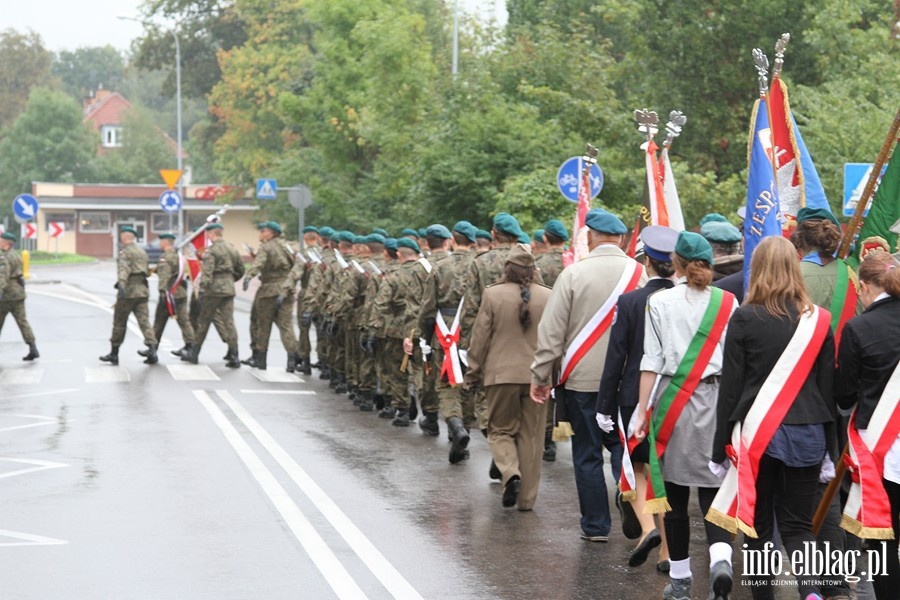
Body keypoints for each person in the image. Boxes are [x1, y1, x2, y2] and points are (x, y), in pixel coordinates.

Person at [707, 236, 836, 600]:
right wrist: (832, 446)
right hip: (810, 432)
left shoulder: (745, 318)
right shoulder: (819, 320)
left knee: (758, 524)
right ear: (795, 269)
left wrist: (720, 449)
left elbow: (730, 390)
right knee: (798, 525)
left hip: (759, 436)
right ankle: (811, 592)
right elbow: (827, 389)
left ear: (757, 269)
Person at [633, 231, 737, 600]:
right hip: (716, 401)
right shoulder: (729, 302)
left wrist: (641, 410)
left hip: (673, 402)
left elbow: (652, 360)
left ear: (674, 263)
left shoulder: (659, 302)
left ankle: (679, 580)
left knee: (674, 496)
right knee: (714, 491)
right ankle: (720, 560)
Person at [531, 209, 646, 542]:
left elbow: (551, 333)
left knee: (587, 454)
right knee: (624, 448)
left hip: (582, 380)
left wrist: (540, 375)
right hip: (629, 381)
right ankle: (626, 497)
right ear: (622, 239)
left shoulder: (573, 274)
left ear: (590, 237)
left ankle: (596, 526)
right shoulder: (640, 273)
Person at [596, 226, 676, 571]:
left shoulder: (629, 301)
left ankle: (647, 530)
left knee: (640, 467)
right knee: (669, 475)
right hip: (675, 395)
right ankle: (667, 553)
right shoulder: (684, 298)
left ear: (646, 261)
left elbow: (616, 357)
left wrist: (603, 405)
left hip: (633, 396)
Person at [835, 251, 900, 600]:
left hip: (882, 451)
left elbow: (844, 396)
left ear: (863, 287)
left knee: (882, 538)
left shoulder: (859, 327)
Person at [466, 244, 552, 509]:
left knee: (501, 430)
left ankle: (510, 472)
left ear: (507, 269)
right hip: (537, 376)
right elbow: (556, 339)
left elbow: (480, 338)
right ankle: (526, 500)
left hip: (499, 375)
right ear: (534, 270)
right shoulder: (549, 296)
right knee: (532, 437)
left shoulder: (492, 295)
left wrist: (472, 372)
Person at [418, 222, 477, 457]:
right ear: (472, 241)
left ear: (452, 240)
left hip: (445, 332)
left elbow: (427, 308)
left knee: (446, 383)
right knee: (469, 384)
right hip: (473, 332)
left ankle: (455, 425)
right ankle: (463, 432)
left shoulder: (440, 266)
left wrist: (425, 336)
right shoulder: (479, 265)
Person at [183, 223, 244, 367]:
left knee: (203, 321)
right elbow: (240, 269)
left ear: (211, 234)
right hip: (228, 288)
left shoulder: (212, 251)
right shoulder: (232, 249)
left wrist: (202, 290)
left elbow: (207, 272)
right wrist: (230, 279)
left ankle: (194, 353)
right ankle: (235, 356)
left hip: (213, 290)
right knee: (229, 322)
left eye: (208, 234)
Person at [534, 218, 569, 462]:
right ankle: (564, 428)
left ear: (545, 239)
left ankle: (548, 442)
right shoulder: (574, 261)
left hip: (546, 330)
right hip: (574, 333)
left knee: (544, 380)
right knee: (566, 385)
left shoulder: (538, 264)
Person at [241, 221, 298, 371]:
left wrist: (248, 277)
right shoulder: (286, 246)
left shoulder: (265, 247)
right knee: (286, 325)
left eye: (263, 231)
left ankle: (261, 360)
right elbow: (295, 265)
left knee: (263, 326)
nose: (260, 234)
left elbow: (259, 264)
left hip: (268, 290)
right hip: (286, 289)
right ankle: (292, 360)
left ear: (271, 233)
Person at [100, 226, 158, 365]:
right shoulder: (142, 252)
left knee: (119, 323)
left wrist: (121, 284)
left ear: (125, 237)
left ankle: (114, 353)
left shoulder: (125, 252)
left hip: (129, 292)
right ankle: (152, 351)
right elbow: (146, 270)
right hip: (142, 291)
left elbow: (123, 269)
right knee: (144, 322)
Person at [140, 233, 194, 361]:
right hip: (180, 292)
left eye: (161, 242)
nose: (159, 244)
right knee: (184, 322)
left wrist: (162, 291)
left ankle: (152, 350)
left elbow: (165, 275)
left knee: (158, 323)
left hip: (169, 294)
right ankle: (191, 347)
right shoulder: (177, 256)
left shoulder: (165, 257)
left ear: (165, 242)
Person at [0, 232, 39, 360]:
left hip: (7, 295)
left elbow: (3, 276)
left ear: (6, 243)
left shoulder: (5, 258)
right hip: (18, 293)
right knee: (22, 322)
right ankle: (33, 347)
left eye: (1, 240)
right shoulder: (15, 255)